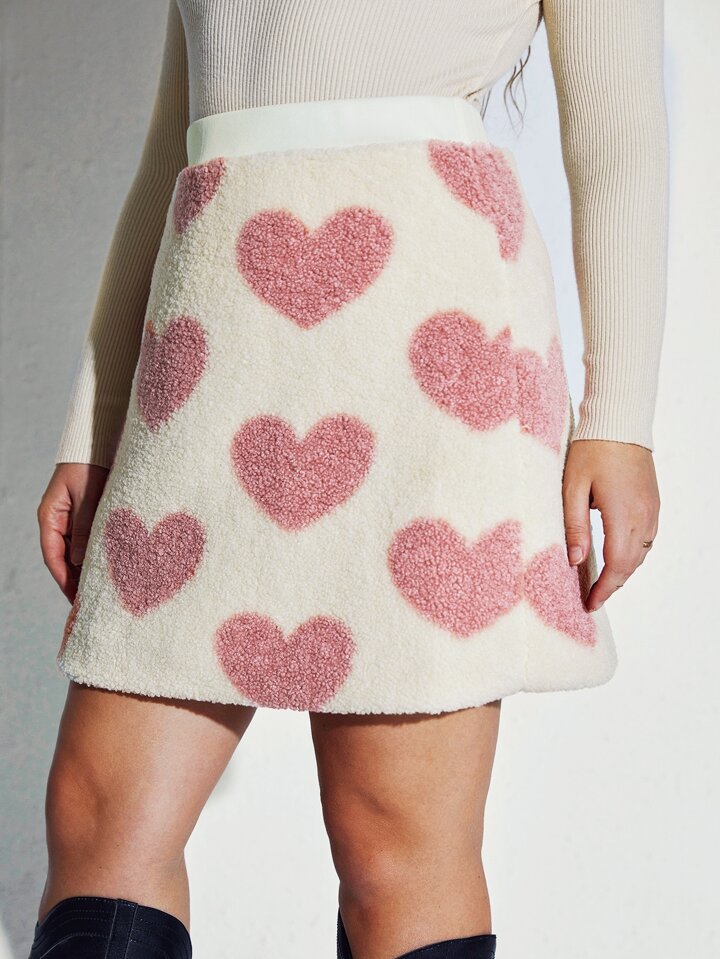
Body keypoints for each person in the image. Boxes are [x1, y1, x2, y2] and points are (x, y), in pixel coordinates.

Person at [31, 1, 668, 957]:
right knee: (98, 816)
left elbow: (621, 133)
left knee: (392, 845)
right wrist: (100, 418)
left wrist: (619, 421)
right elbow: (178, 139)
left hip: (433, 340)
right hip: (209, 345)